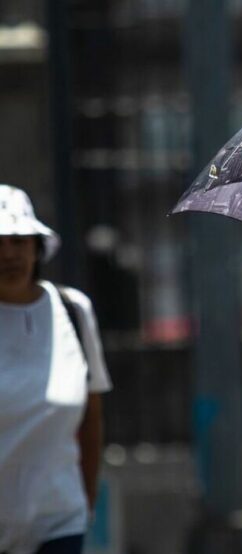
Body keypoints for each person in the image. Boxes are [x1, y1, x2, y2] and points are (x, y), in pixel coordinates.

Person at [0, 184, 112, 554]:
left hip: (60, 520)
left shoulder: (73, 310)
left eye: (18, 240)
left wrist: (86, 502)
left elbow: (92, 416)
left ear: (36, 246)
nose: (8, 253)